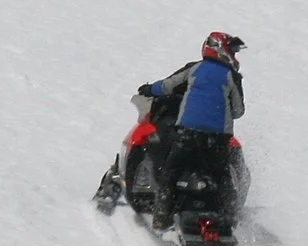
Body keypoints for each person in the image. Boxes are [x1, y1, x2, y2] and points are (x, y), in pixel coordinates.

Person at [97, 31, 246, 225]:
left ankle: (162, 215)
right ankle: (229, 216)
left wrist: (148, 89)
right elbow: (238, 111)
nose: (233, 56)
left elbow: (167, 85)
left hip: (188, 131)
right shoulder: (232, 76)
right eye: (232, 51)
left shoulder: (194, 69)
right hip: (218, 137)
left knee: (171, 170)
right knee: (222, 175)